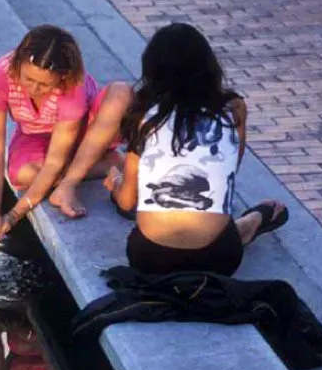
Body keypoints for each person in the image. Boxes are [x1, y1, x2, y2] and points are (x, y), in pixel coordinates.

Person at [103, 23, 288, 275]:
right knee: (220, 229)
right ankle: (249, 223)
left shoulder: (144, 117)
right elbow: (228, 173)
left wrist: (116, 184)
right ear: (208, 67)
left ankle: (246, 224)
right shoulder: (233, 109)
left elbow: (127, 202)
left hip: (149, 258)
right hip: (219, 258)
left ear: (152, 71)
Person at [0, 24, 127, 259]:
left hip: (86, 133)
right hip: (36, 134)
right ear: (17, 62)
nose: (34, 88)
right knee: (24, 175)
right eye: (28, 78)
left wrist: (15, 215)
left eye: (44, 84)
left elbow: (53, 162)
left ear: (63, 77)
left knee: (121, 93)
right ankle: (107, 164)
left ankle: (76, 176)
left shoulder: (72, 86)